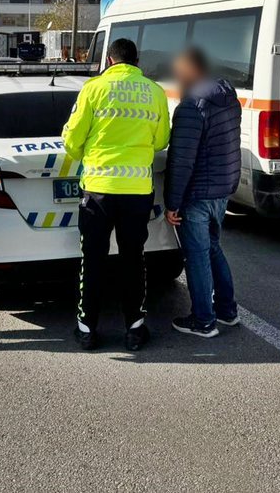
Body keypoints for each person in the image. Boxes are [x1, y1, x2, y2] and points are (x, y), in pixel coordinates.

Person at [62, 37, 170, 352]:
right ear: (136, 62)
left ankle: (87, 329)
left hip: (98, 192)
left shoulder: (93, 90)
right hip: (137, 192)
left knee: (93, 260)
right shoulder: (155, 92)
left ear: (110, 60)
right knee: (133, 259)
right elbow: (161, 140)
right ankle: (135, 330)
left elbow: (72, 141)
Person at [164, 47, 241, 338]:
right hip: (222, 189)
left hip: (197, 193)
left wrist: (172, 202)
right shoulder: (228, 97)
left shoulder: (191, 106)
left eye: (180, 69)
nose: (177, 75)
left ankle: (204, 321)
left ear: (190, 69)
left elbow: (182, 159)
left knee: (197, 256)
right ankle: (227, 311)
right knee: (213, 248)